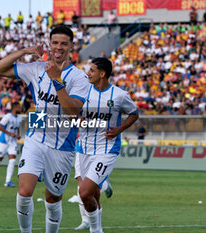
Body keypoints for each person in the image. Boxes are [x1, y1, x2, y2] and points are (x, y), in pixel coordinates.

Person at [0, 25, 89, 233]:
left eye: (64, 43)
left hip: (63, 143)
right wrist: (24, 52)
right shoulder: (37, 68)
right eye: (55, 42)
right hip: (36, 136)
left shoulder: (79, 77)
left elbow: (73, 113)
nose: (59, 47)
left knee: (53, 198)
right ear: (49, 43)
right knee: (25, 191)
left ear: (71, 45)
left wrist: (56, 80)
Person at [76, 57, 138, 233]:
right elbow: (76, 111)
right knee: (92, 193)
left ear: (102, 74)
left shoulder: (119, 95)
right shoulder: (84, 91)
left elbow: (134, 113)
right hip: (83, 147)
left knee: (84, 193)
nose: (88, 73)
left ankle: (96, 230)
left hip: (107, 149)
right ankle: (97, 226)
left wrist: (120, 128)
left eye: (92, 70)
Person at [73, 151, 112, 231]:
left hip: (98, 150)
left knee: (91, 192)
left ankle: (105, 185)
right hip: (81, 149)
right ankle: (85, 221)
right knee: (81, 188)